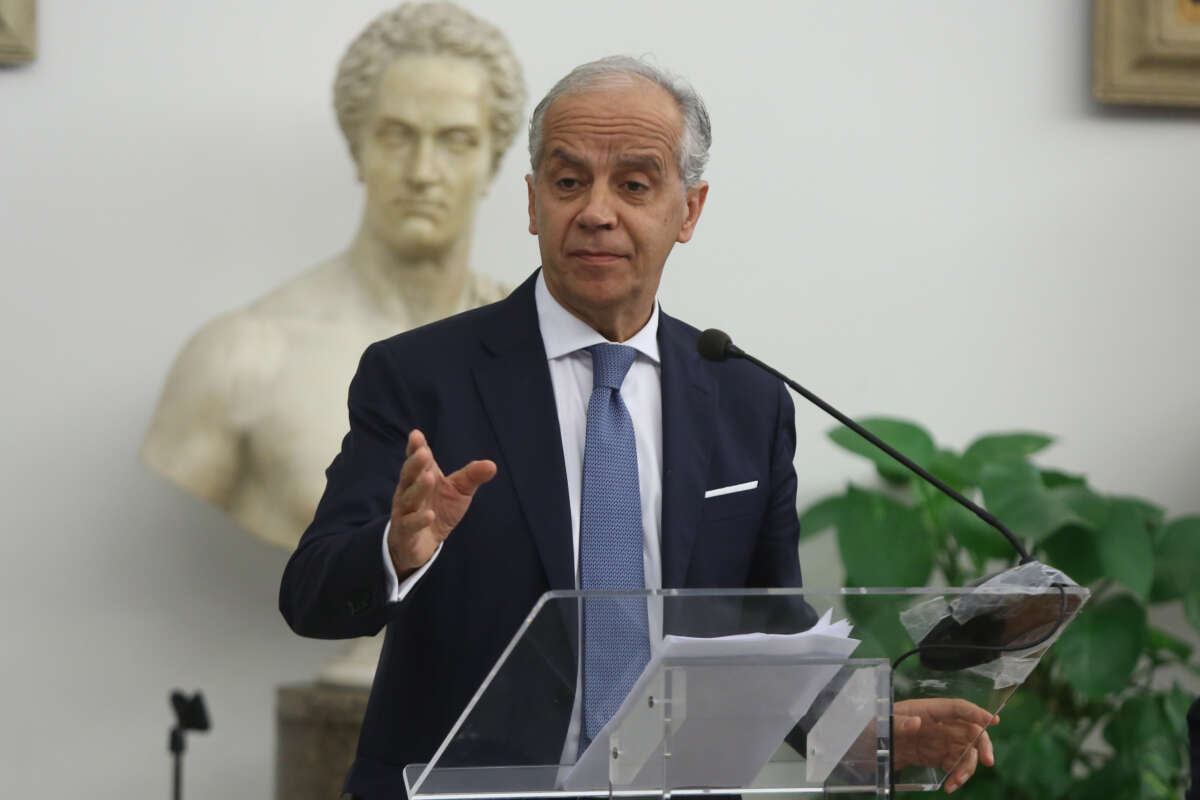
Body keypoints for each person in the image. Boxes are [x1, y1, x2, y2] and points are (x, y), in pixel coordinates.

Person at [280, 55, 996, 798]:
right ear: (532, 203)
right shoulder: (420, 376)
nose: (596, 211)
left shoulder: (747, 397)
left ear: (689, 211)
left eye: (633, 184)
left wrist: (861, 727)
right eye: (568, 182)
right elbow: (309, 596)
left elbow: (768, 623)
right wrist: (396, 550)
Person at [140, 0, 524, 556]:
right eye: (397, 135)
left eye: (456, 140)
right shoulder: (243, 359)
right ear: (357, 147)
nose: (423, 172)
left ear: (493, 160)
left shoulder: (541, 346)